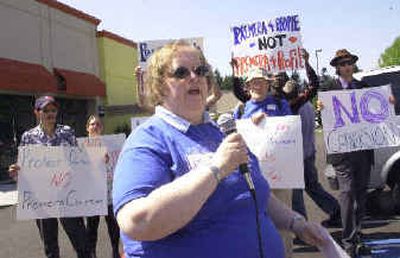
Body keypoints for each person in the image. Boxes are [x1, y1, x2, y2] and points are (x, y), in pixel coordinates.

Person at [112, 41, 326, 258]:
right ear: (160, 85)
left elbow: (253, 192)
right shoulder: (147, 140)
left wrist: (297, 224)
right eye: (181, 72)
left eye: (201, 70)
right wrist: (215, 169)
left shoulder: (220, 132)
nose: (194, 77)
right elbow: (137, 222)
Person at [8, 95, 89, 258]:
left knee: (81, 242)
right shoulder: (28, 137)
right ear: (37, 113)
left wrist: (99, 161)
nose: (50, 113)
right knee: (50, 247)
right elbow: (23, 167)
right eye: (46, 110)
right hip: (43, 200)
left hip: (68, 196)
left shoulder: (67, 132)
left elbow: (79, 161)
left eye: (53, 110)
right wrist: (16, 172)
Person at [318, 49, 376, 256]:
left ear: (353, 64)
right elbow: (325, 120)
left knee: (361, 195)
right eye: (342, 64)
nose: (346, 66)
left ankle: (358, 236)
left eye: (349, 62)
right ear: (337, 68)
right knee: (347, 193)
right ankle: (349, 242)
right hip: (342, 153)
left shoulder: (364, 87)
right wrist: (320, 108)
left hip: (363, 150)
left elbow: (375, 115)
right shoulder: (327, 90)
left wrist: (388, 105)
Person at [283, 81, 342, 231]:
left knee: (296, 195)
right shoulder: (308, 105)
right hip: (309, 153)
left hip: (297, 156)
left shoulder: (293, 109)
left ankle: (302, 229)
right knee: (313, 187)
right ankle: (336, 210)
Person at [84, 115, 121, 258]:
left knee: (113, 224)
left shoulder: (111, 144)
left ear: (102, 128)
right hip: (91, 193)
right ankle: (92, 253)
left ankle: (114, 251)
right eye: (92, 124)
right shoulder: (81, 146)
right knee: (92, 226)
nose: (95, 126)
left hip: (109, 191)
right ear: (87, 128)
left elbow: (117, 163)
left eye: (98, 124)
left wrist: (108, 160)